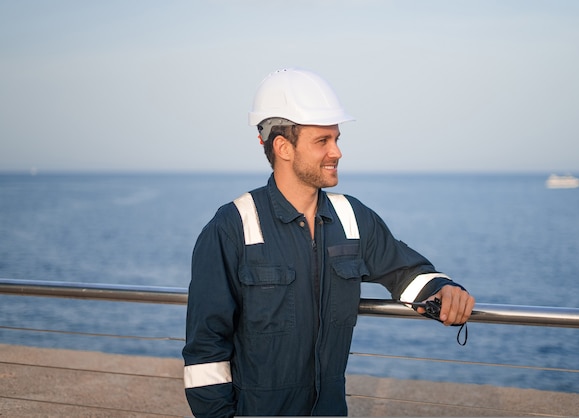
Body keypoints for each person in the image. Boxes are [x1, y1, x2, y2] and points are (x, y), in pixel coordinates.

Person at [182, 68, 475, 417]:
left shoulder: (352, 217)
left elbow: (406, 274)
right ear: (283, 147)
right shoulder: (233, 227)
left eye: (336, 139)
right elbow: (205, 350)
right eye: (322, 141)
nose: (337, 152)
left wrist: (443, 290)